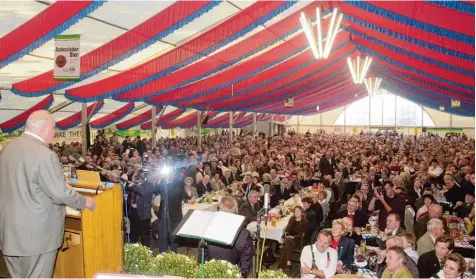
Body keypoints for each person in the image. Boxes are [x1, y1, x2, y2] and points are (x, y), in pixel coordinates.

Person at [0, 110, 96, 278]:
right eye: (53, 128)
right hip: (37, 238)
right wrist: (84, 202)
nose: (53, 132)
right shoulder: (45, 155)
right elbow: (59, 193)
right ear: (45, 129)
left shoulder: (7, 150)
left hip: (9, 234)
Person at [204, 196, 253, 278]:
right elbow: (246, 263)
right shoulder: (244, 233)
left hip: (209, 272)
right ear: (237, 210)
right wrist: (240, 276)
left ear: (219, 210)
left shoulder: (207, 227)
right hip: (232, 275)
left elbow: (202, 254)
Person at [156, 170, 184, 253]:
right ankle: (162, 254)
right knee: (162, 236)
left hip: (174, 215)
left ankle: (173, 254)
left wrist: (167, 183)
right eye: (168, 173)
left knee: (173, 237)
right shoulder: (163, 183)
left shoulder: (180, 183)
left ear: (174, 174)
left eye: (170, 173)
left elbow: (174, 195)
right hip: (162, 214)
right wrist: (159, 181)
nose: (168, 175)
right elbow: (155, 190)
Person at [278, 206, 309, 272]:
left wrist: (294, 237)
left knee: (286, 247)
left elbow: (302, 234)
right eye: (295, 211)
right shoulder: (292, 219)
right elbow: (287, 228)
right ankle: (288, 263)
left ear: (302, 212)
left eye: (298, 211)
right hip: (290, 238)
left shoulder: (305, 222)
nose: (296, 213)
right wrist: (286, 233)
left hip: (298, 240)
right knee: (288, 240)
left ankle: (282, 267)